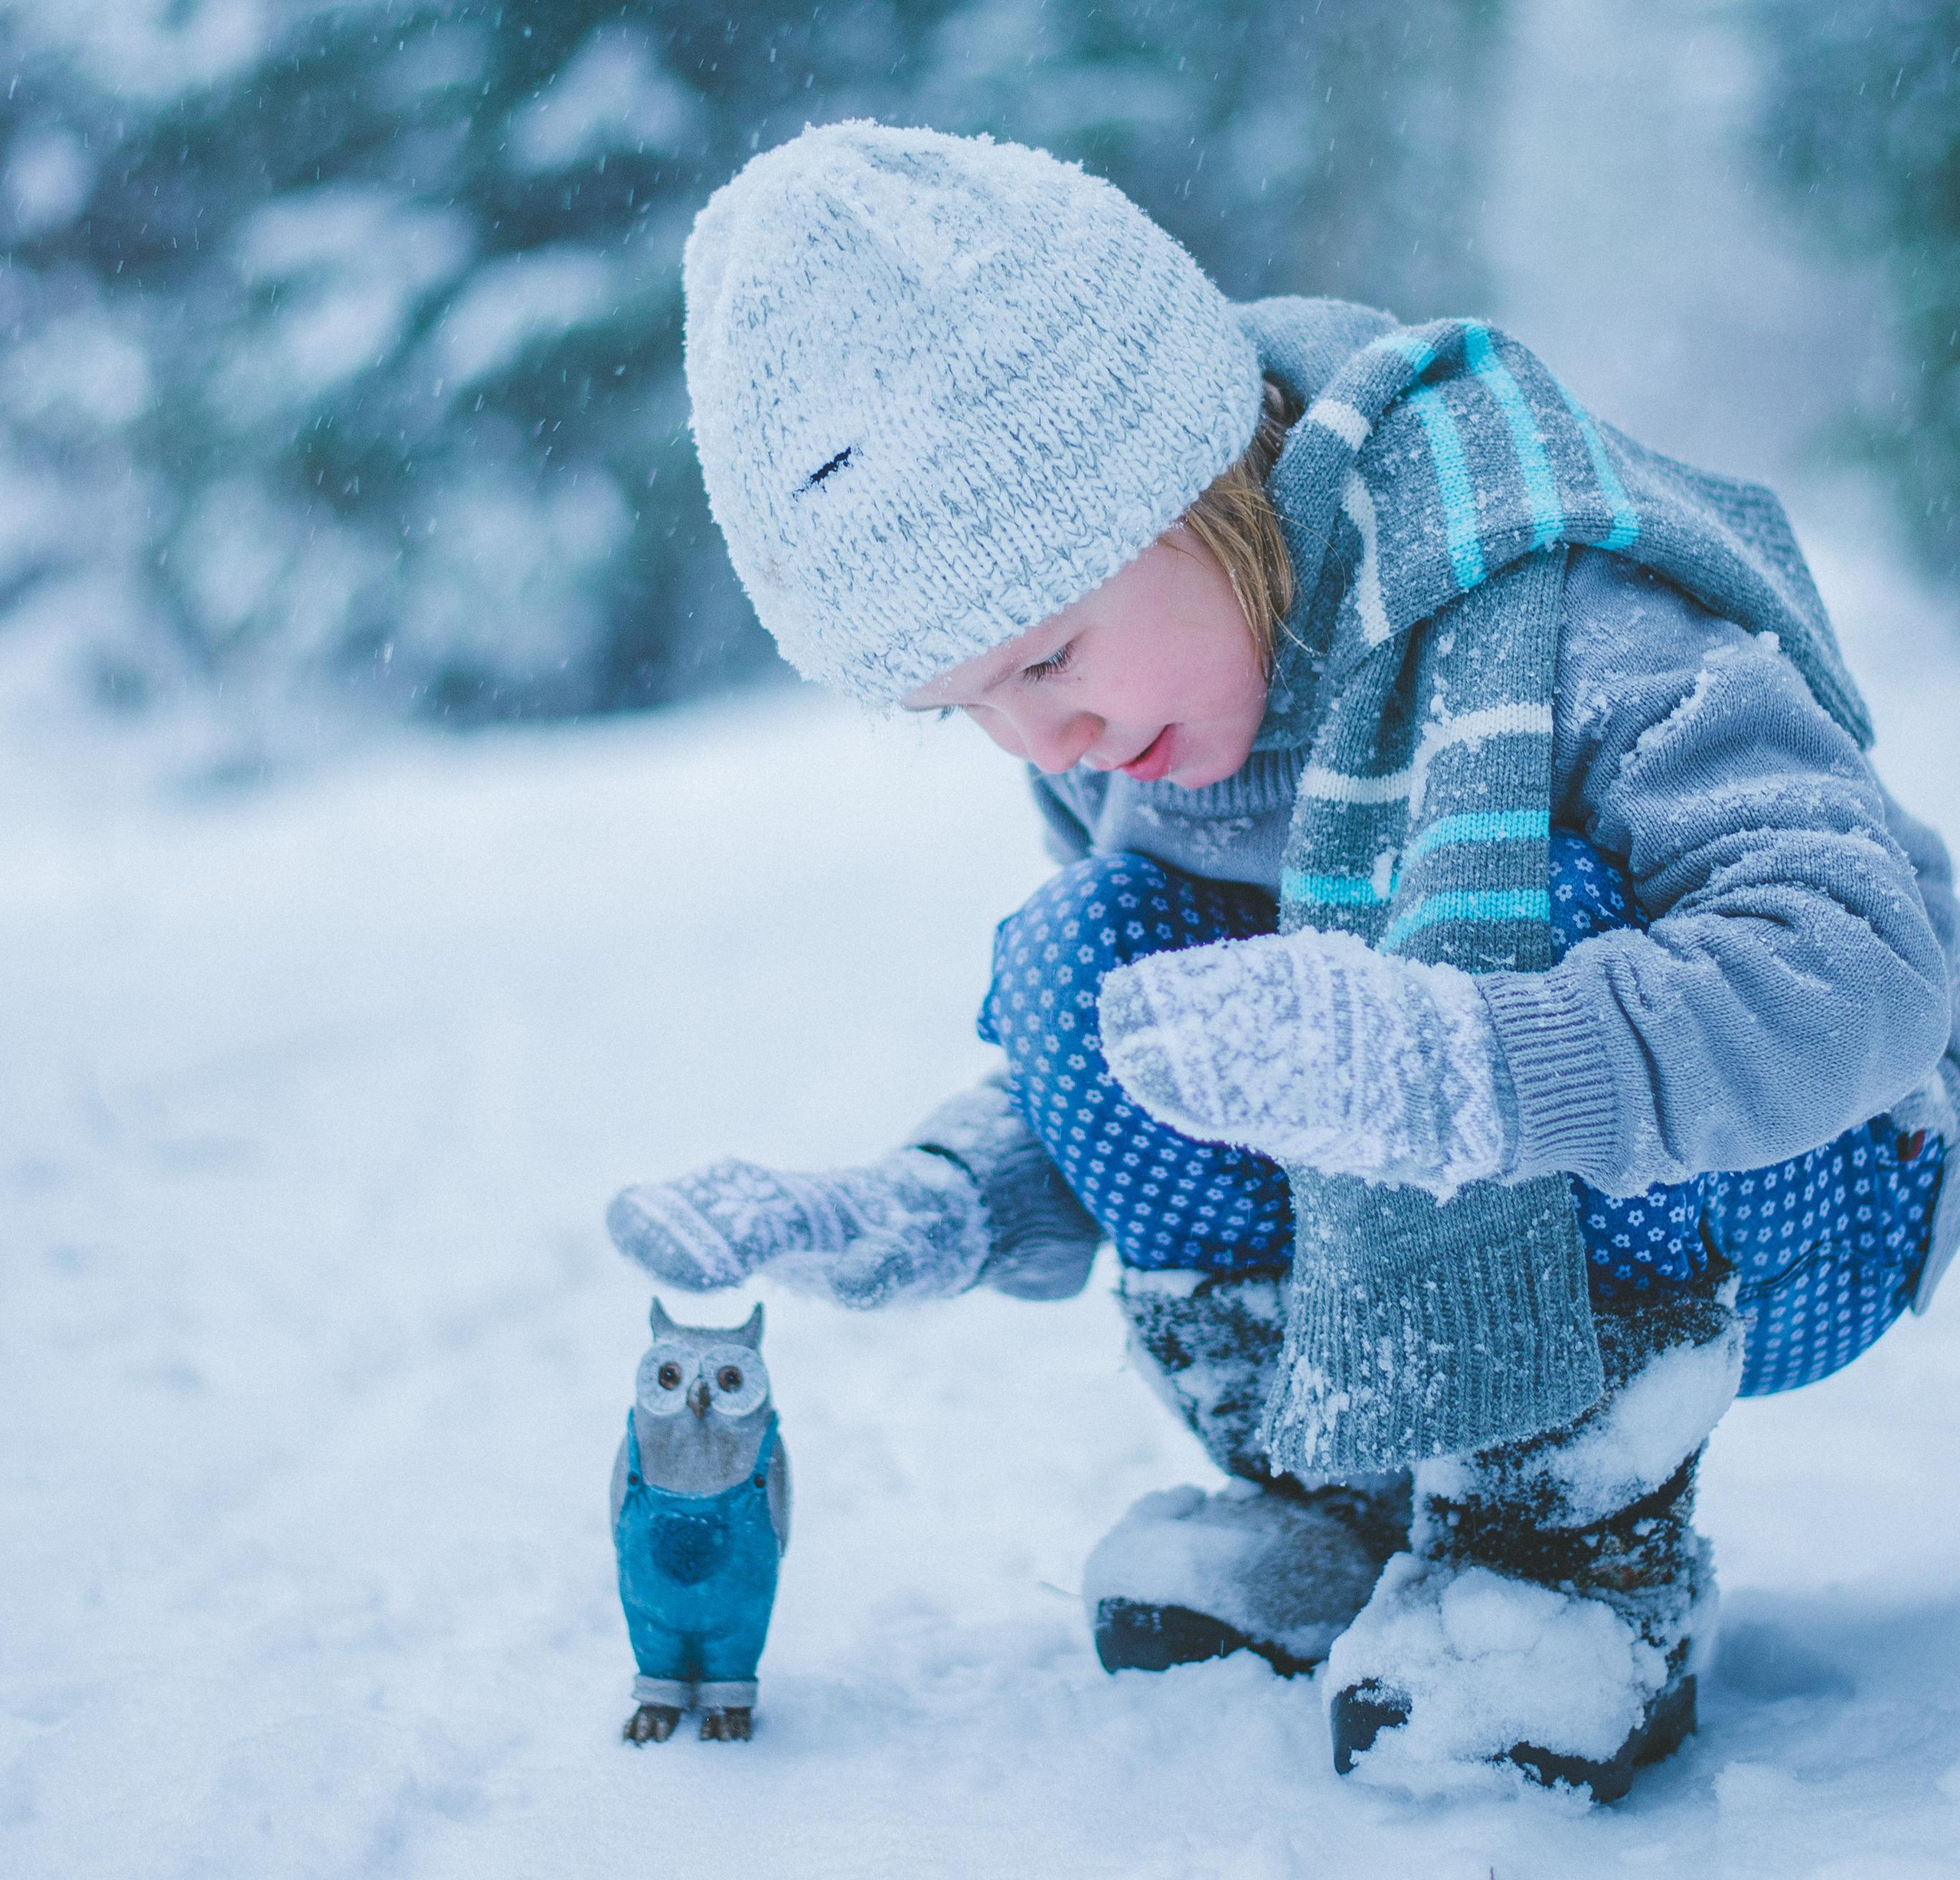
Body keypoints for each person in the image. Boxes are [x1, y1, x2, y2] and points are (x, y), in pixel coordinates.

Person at [607, 121, 1958, 1799]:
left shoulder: (1551, 596)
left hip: (1805, 1180)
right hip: (1465, 1191)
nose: (1046, 734)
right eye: (963, 708)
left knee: (1523, 905)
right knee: (1092, 967)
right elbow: (1180, 1060)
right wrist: (935, 1200)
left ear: (1183, 479)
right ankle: (1339, 1497)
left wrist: (1462, 1069)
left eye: (1045, 653)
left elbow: (1865, 962)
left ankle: (1561, 1554)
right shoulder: (1124, 734)